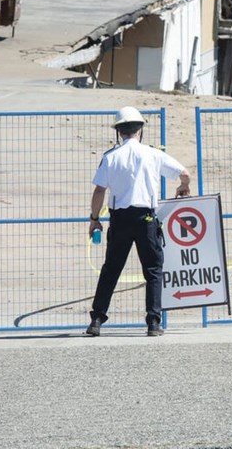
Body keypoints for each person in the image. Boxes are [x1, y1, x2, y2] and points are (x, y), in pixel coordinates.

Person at [86, 106, 191, 337]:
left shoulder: (110, 157)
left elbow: (98, 192)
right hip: (146, 219)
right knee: (153, 271)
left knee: (111, 270)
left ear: (118, 132)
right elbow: (185, 173)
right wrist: (183, 186)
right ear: (140, 130)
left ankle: (96, 320)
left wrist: (94, 219)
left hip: (120, 219)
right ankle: (153, 322)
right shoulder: (153, 154)